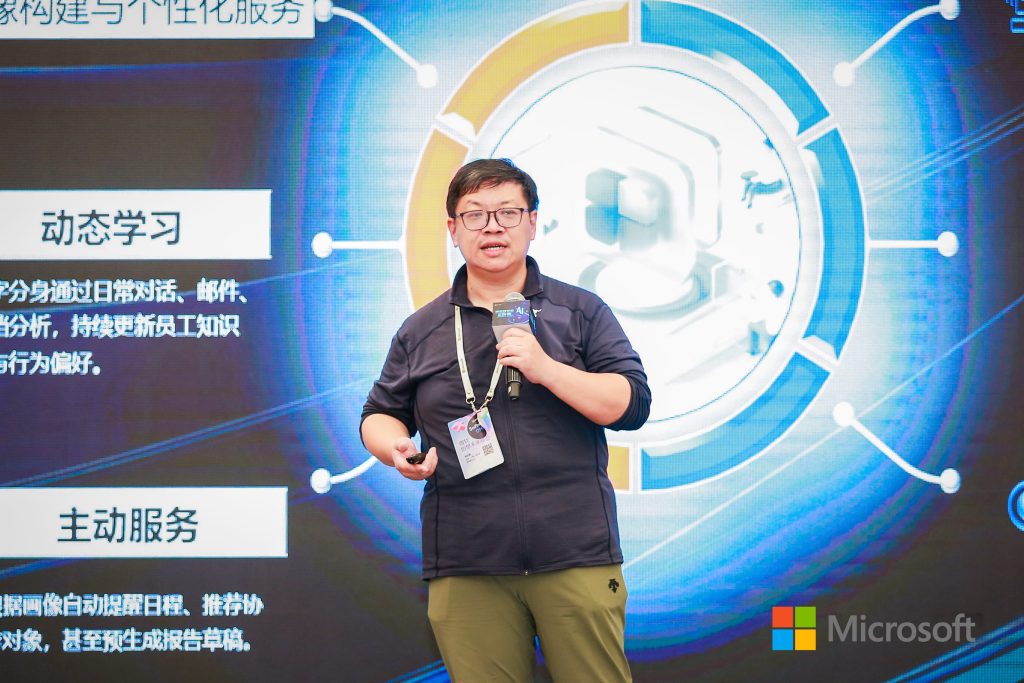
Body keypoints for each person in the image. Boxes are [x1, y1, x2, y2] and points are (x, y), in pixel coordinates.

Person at [360, 158, 650, 683]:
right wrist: (394, 447)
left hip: (575, 551)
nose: (492, 227)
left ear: (533, 222)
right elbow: (379, 413)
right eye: (475, 215)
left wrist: (547, 369)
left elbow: (630, 403)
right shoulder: (421, 330)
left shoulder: (580, 311)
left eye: (508, 212)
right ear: (453, 230)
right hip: (467, 558)